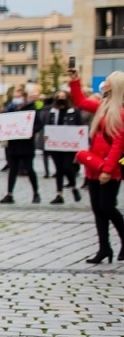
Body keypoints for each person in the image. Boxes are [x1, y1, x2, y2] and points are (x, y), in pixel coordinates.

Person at [68, 68, 124, 264]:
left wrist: (108, 170)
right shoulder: (103, 106)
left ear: (114, 86)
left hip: (110, 166)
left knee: (107, 206)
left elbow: (118, 144)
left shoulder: (120, 112)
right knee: (97, 209)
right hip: (94, 163)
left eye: (107, 81)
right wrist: (75, 81)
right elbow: (81, 102)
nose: (104, 83)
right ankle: (104, 247)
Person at [0, 86, 41, 204]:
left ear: (24, 97)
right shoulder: (10, 109)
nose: (16, 99)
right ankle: (9, 193)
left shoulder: (31, 109)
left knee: (29, 169)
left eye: (18, 96)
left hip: (26, 144)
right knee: (12, 169)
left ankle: (36, 193)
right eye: (14, 96)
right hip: (13, 144)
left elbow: (38, 124)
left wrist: (30, 131)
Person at [44, 91, 84, 204]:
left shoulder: (74, 112)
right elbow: (48, 126)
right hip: (56, 145)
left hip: (69, 146)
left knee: (67, 167)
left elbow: (80, 127)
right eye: (59, 97)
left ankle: (73, 187)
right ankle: (59, 194)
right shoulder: (52, 112)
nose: (61, 99)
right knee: (59, 170)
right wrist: (47, 136)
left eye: (63, 96)